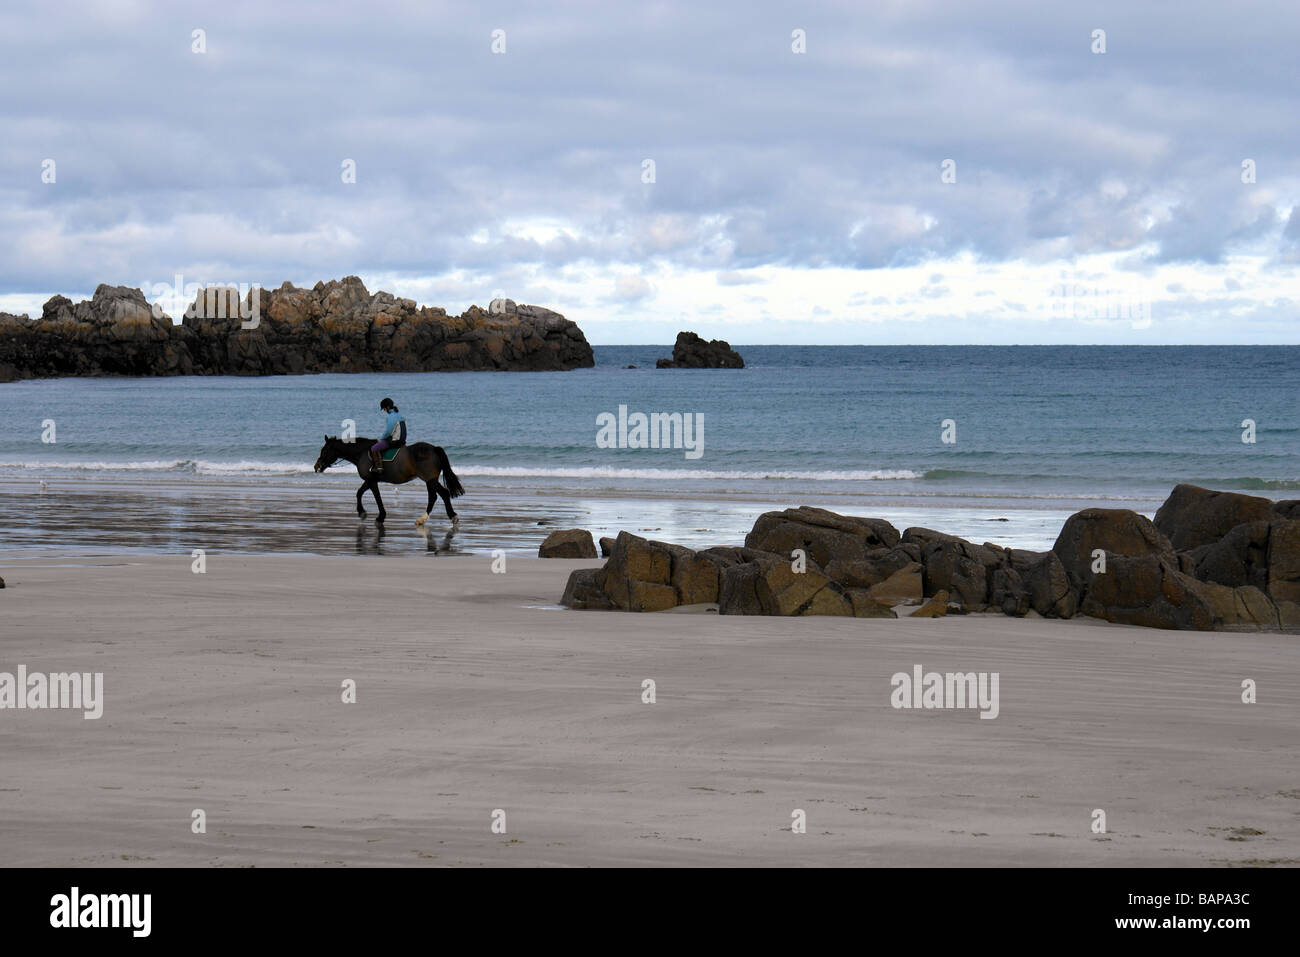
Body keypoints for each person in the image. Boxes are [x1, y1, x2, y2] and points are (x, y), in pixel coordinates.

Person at [370, 397, 407, 473]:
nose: (384, 411)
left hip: (395, 441)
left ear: (387, 408)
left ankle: (379, 467)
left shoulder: (391, 416)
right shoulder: (399, 414)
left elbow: (388, 431)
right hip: (402, 440)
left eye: (384, 409)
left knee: (374, 448)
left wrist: (382, 438)